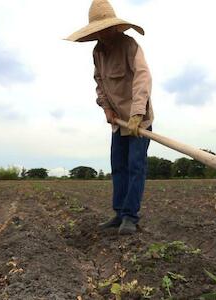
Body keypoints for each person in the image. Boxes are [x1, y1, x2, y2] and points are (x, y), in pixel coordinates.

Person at [67, 0, 154, 234]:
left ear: (114, 27)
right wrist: (106, 108)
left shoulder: (129, 45)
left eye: (105, 29)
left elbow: (142, 78)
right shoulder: (98, 52)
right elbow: (100, 83)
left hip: (138, 121)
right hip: (118, 122)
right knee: (118, 166)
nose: (102, 34)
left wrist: (137, 113)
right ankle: (118, 213)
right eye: (98, 31)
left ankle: (130, 217)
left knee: (135, 167)